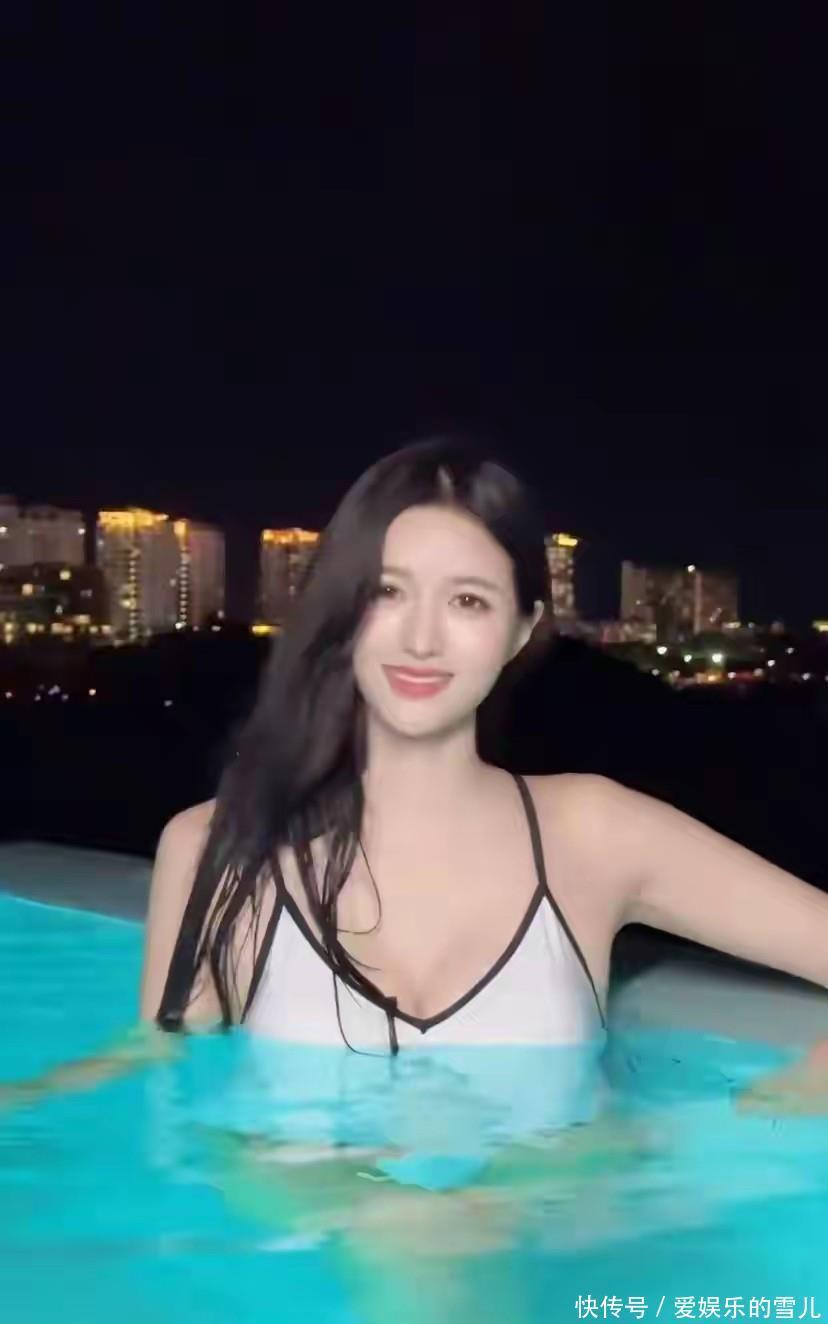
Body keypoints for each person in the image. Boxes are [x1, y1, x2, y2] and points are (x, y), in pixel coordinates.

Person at [4, 435, 828, 1111]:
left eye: (468, 601)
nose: (422, 639)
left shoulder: (597, 834)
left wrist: (760, 1121)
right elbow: (168, 1087)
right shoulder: (218, 848)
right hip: (298, 1236)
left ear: (520, 630)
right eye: (388, 593)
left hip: (547, 1231)